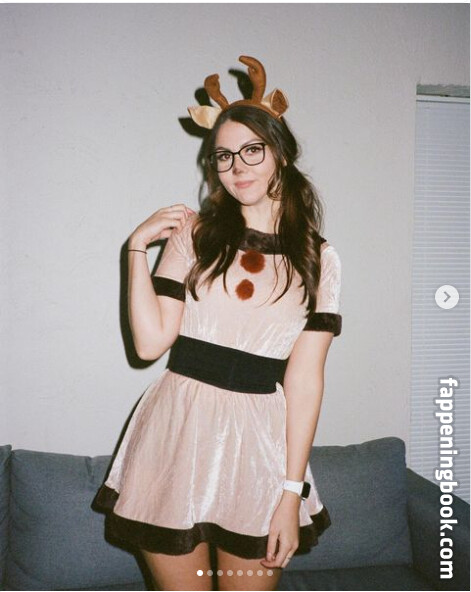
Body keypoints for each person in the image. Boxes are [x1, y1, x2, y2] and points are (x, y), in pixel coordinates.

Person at [92, 55, 342, 592]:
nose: (237, 166)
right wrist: (135, 248)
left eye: (252, 149)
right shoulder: (196, 236)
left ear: (281, 153)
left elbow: (305, 381)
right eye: (224, 155)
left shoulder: (320, 259)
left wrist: (291, 493)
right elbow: (149, 344)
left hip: (259, 451)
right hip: (175, 437)